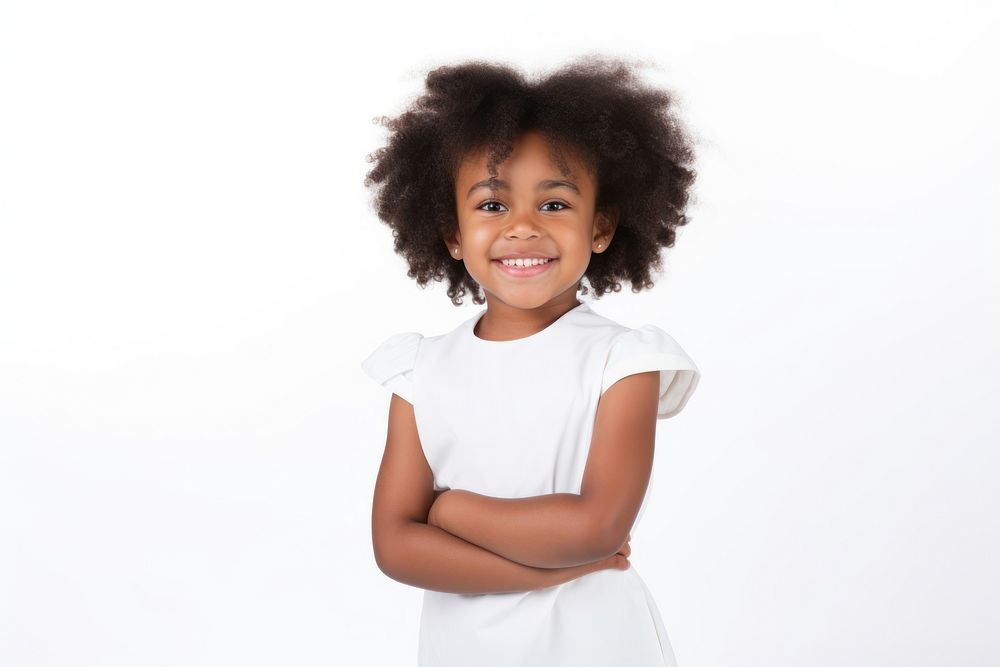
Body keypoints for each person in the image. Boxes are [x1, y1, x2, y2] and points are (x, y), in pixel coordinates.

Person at [360, 55, 702, 667]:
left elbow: (593, 528)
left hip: (595, 645)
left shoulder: (623, 362)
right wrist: (547, 574)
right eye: (492, 206)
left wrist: (449, 509)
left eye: (554, 205)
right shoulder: (421, 374)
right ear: (453, 234)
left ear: (600, 226)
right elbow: (395, 546)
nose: (522, 228)